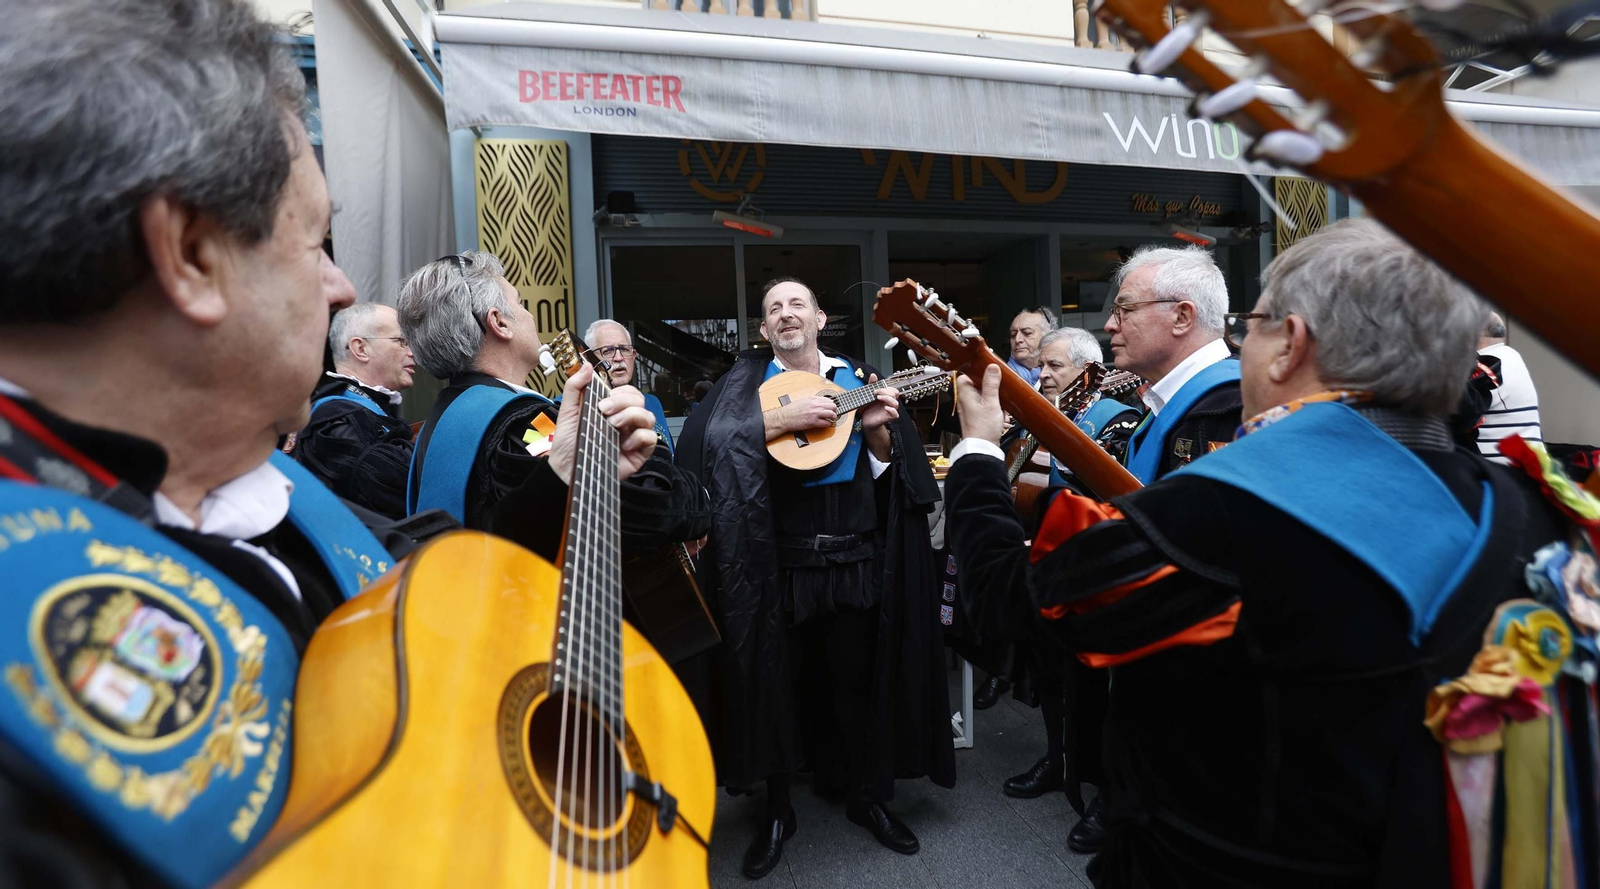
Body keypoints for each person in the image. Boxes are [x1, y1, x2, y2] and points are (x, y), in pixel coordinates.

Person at [0, 1, 654, 883]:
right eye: (315, 241)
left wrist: (567, 474)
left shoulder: (260, 479)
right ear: (189, 254)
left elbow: (444, 597)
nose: (343, 289)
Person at [945, 218, 1576, 888]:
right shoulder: (1541, 509)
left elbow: (1015, 600)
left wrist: (978, 452)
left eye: (1252, 327)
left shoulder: (1231, 510)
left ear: (1291, 344)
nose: (1238, 346)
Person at [676, 277, 955, 879]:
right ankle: (778, 810)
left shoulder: (858, 378)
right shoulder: (742, 387)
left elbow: (890, 474)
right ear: (763, 329)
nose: (786, 314)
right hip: (777, 567)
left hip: (854, 561)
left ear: (820, 318)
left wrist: (878, 432)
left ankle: (865, 796)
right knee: (776, 683)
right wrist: (779, 419)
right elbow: (702, 445)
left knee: (857, 681)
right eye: (774, 308)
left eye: (796, 304)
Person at [399, 253, 709, 564]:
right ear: (499, 322)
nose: (530, 316)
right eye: (521, 303)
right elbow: (641, 510)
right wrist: (696, 497)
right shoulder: (524, 423)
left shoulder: (437, 422)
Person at [1104, 244, 1243, 486]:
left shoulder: (1233, 407)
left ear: (1182, 317)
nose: (1110, 325)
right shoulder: (1169, 402)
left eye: (1126, 309)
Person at [292, 303, 417, 518]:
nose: (412, 352)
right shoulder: (335, 419)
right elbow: (397, 494)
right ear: (361, 349)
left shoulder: (369, 407)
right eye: (401, 341)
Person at [585, 319, 675, 455]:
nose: (619, 357)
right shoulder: (572, 407)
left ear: (633, 356)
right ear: (589, 359)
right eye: (607, 351)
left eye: (624, 349)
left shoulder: (652, 403)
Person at [1476, 311, 1543, 464]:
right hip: (1526, 466)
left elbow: (1456, 414)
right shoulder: (1511, 356)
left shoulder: (1487, 365)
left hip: (1500, 469)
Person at [1006, 306, 1056, 387]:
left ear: (1048, 336)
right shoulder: (1001, 376)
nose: (1017, 340)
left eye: (1027, 333)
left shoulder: (1063, 375)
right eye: (1013, 335)